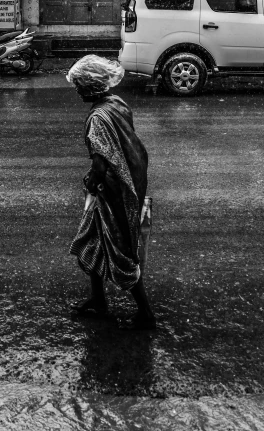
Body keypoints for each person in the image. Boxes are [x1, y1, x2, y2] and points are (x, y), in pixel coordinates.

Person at [66, 55, 156, 330]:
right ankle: (98, 298)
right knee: (92, 241)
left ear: (90, 86)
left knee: (122, 251)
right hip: (127, 184)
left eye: (79, 86)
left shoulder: (97, 118)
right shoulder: (117, 104)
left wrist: (92, 183)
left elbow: (100, 163)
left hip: (111, 194)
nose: (77, 90)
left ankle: (145, 312)